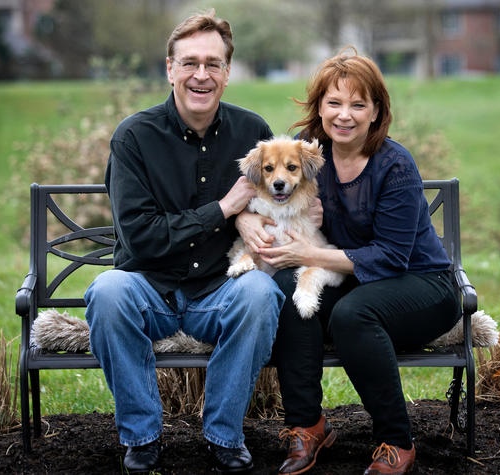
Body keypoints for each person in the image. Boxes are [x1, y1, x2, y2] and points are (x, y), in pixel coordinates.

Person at [237, 48, 461, 474]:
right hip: (352, 278)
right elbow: (259, 185)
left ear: (376, 111)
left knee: (353, 314)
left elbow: (392, 257)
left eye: (359, 104)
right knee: (287, 290)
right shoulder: (308, 154)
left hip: (420, 284)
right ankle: (307, 426)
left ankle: (396, 441)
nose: (345, 115)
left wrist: (310, 253)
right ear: (319, 106)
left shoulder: (394, 165)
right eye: (334, 102)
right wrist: (249, 218)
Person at [83, 10, 284, 474]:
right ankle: (143, 438)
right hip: (147, 288)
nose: (201, 74)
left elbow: (280, 199)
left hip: (219, 290)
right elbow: (143, 237)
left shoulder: (252, 133)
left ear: (228, 74)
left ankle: (223, 436)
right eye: (190, 62)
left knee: (260, 293)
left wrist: (255, 218)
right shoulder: (134, 137)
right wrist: (224, 209)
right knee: (107, 292)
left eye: (213, 64)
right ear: (170, 68)